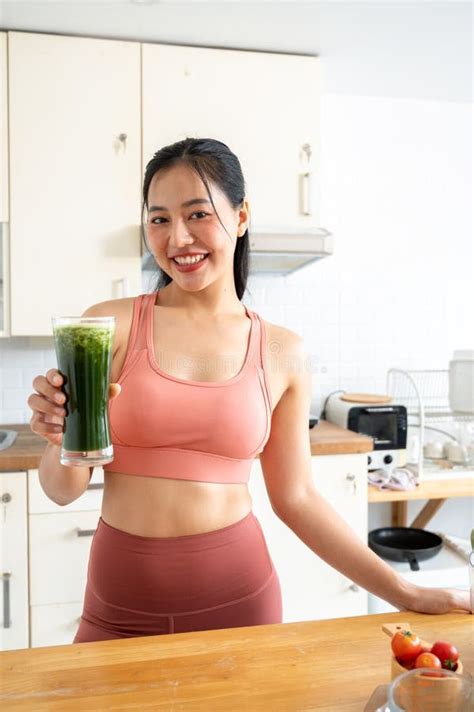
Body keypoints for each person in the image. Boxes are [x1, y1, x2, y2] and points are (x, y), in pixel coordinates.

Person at [28, 137, 470, 643]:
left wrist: (405, 593)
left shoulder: (281, 351)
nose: (177, 239)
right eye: (159, 219)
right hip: (117, 606)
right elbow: (62, 491)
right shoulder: (109, 325)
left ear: (240, 217)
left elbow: (297, 499)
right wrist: (56, 437)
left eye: (198, 214)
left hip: (238, 603)